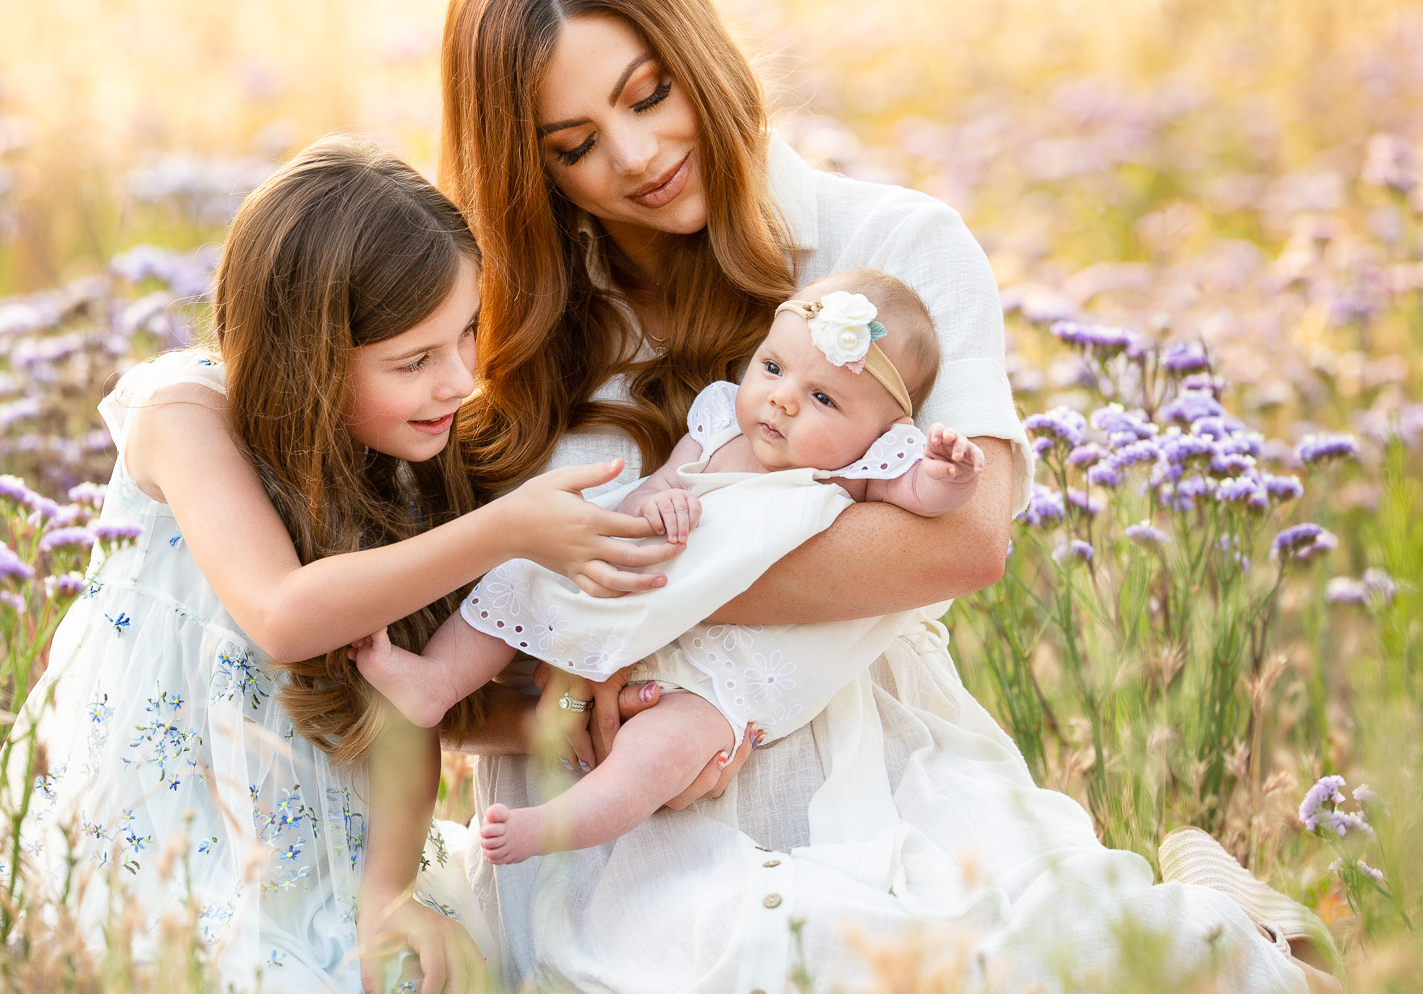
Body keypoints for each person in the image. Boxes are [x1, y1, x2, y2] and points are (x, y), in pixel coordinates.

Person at [436, 0, 1328, 994]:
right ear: (531, 169)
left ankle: (1242, 939)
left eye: (649, 93)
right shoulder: (505, 325)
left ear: (695, 55)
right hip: (607, 818)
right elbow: (447, 638)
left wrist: (600, 587)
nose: (636, 156)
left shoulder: (892, 243)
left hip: (865, 748)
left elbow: (959, 540)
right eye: (572, 146)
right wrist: (557, 697)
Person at [0, 135, 679, 994]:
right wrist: (506, 529)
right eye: (413, 360)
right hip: (153, 838)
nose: (460, 379)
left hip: (325, 853)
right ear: (308, 355)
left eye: (468, 332)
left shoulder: (397, 463)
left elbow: (407, 711)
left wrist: (388, 896)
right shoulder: (183, 412)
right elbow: (281, 612)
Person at [351, 270, 988, 864]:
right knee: (524, 580)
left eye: (823, 397)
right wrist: (660, 501)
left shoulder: (855, 471)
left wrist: (947, 476)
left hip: (724, 664)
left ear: (886, 433)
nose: (782, 401)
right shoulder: (717, 430)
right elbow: (653, 486)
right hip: (642, 586)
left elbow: (923, 504)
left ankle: (555, 826)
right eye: (772, 368)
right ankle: (437, 680)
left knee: (666, 750)